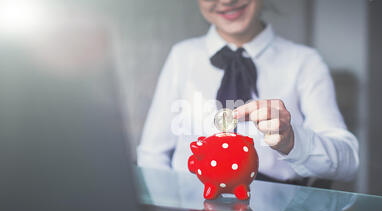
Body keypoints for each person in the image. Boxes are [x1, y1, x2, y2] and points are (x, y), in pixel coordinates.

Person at [137, 0, 359, 186]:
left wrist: (293, 141)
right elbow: (152, 154)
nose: (226, 1)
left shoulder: (305, 62)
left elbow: (349, 163)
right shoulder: (181, 56)